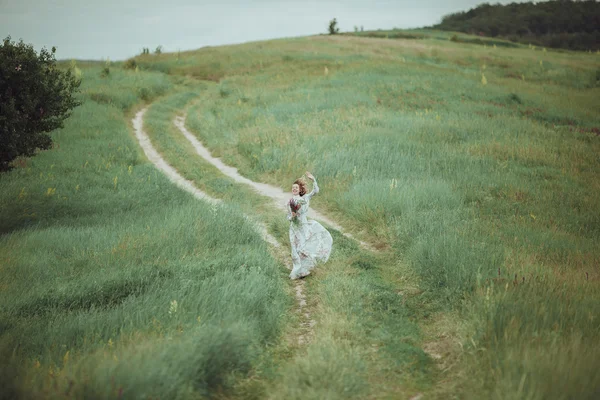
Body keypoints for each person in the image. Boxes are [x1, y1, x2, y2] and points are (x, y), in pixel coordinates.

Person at [287, 171, 333, 279]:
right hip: (294, 228)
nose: (294, 189)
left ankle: (303, 270)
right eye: (293, 188)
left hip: (303, 226)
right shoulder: (290, 202)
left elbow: (316, 191)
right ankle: (298, 270)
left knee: (302, 249)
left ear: (300, 190)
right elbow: (288, 217)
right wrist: (292, 216)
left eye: (296, 188)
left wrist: (313, 180)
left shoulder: (305, 198)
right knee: (295, 250)